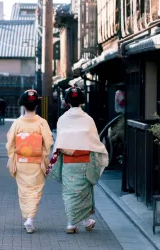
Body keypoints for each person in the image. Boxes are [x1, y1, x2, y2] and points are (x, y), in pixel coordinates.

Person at [48, 86, 109, 234]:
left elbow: (59, 143)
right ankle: (86, 221)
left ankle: (71, 224)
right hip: (85, 162)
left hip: (69, 163)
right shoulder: (88, 120)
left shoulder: (62, 119)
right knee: (85, 191)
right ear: (82, 101)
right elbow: (95, 142)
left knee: (69, 192)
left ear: (67, 102)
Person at [6, 90, 53, 234]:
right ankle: (30, 218)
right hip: (36, 162)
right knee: (36, 190)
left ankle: (28, 217)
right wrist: (43, 156)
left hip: (21, 162)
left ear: (23, 105)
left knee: (24, 191)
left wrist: (12, 157)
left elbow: (10, 143)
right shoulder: (41, 122)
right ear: (37, 105)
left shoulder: (17, 123)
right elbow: (48, 142)